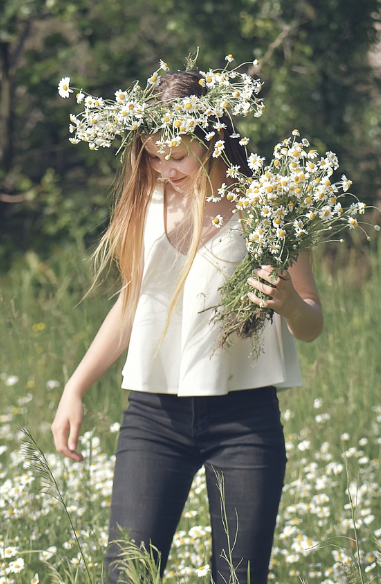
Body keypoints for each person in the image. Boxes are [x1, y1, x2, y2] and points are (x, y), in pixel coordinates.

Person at [52, 66, 323, 583]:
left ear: (211, 140)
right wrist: (76, 386)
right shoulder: (143, 204)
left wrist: (288, 304)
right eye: (152, 156)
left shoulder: (270, 205)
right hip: (153, 420)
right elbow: (134, 304)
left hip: (245, 420)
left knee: (239, 578)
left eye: (176, 156)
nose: (163, 168)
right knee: (126, 576)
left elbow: (311, 321)